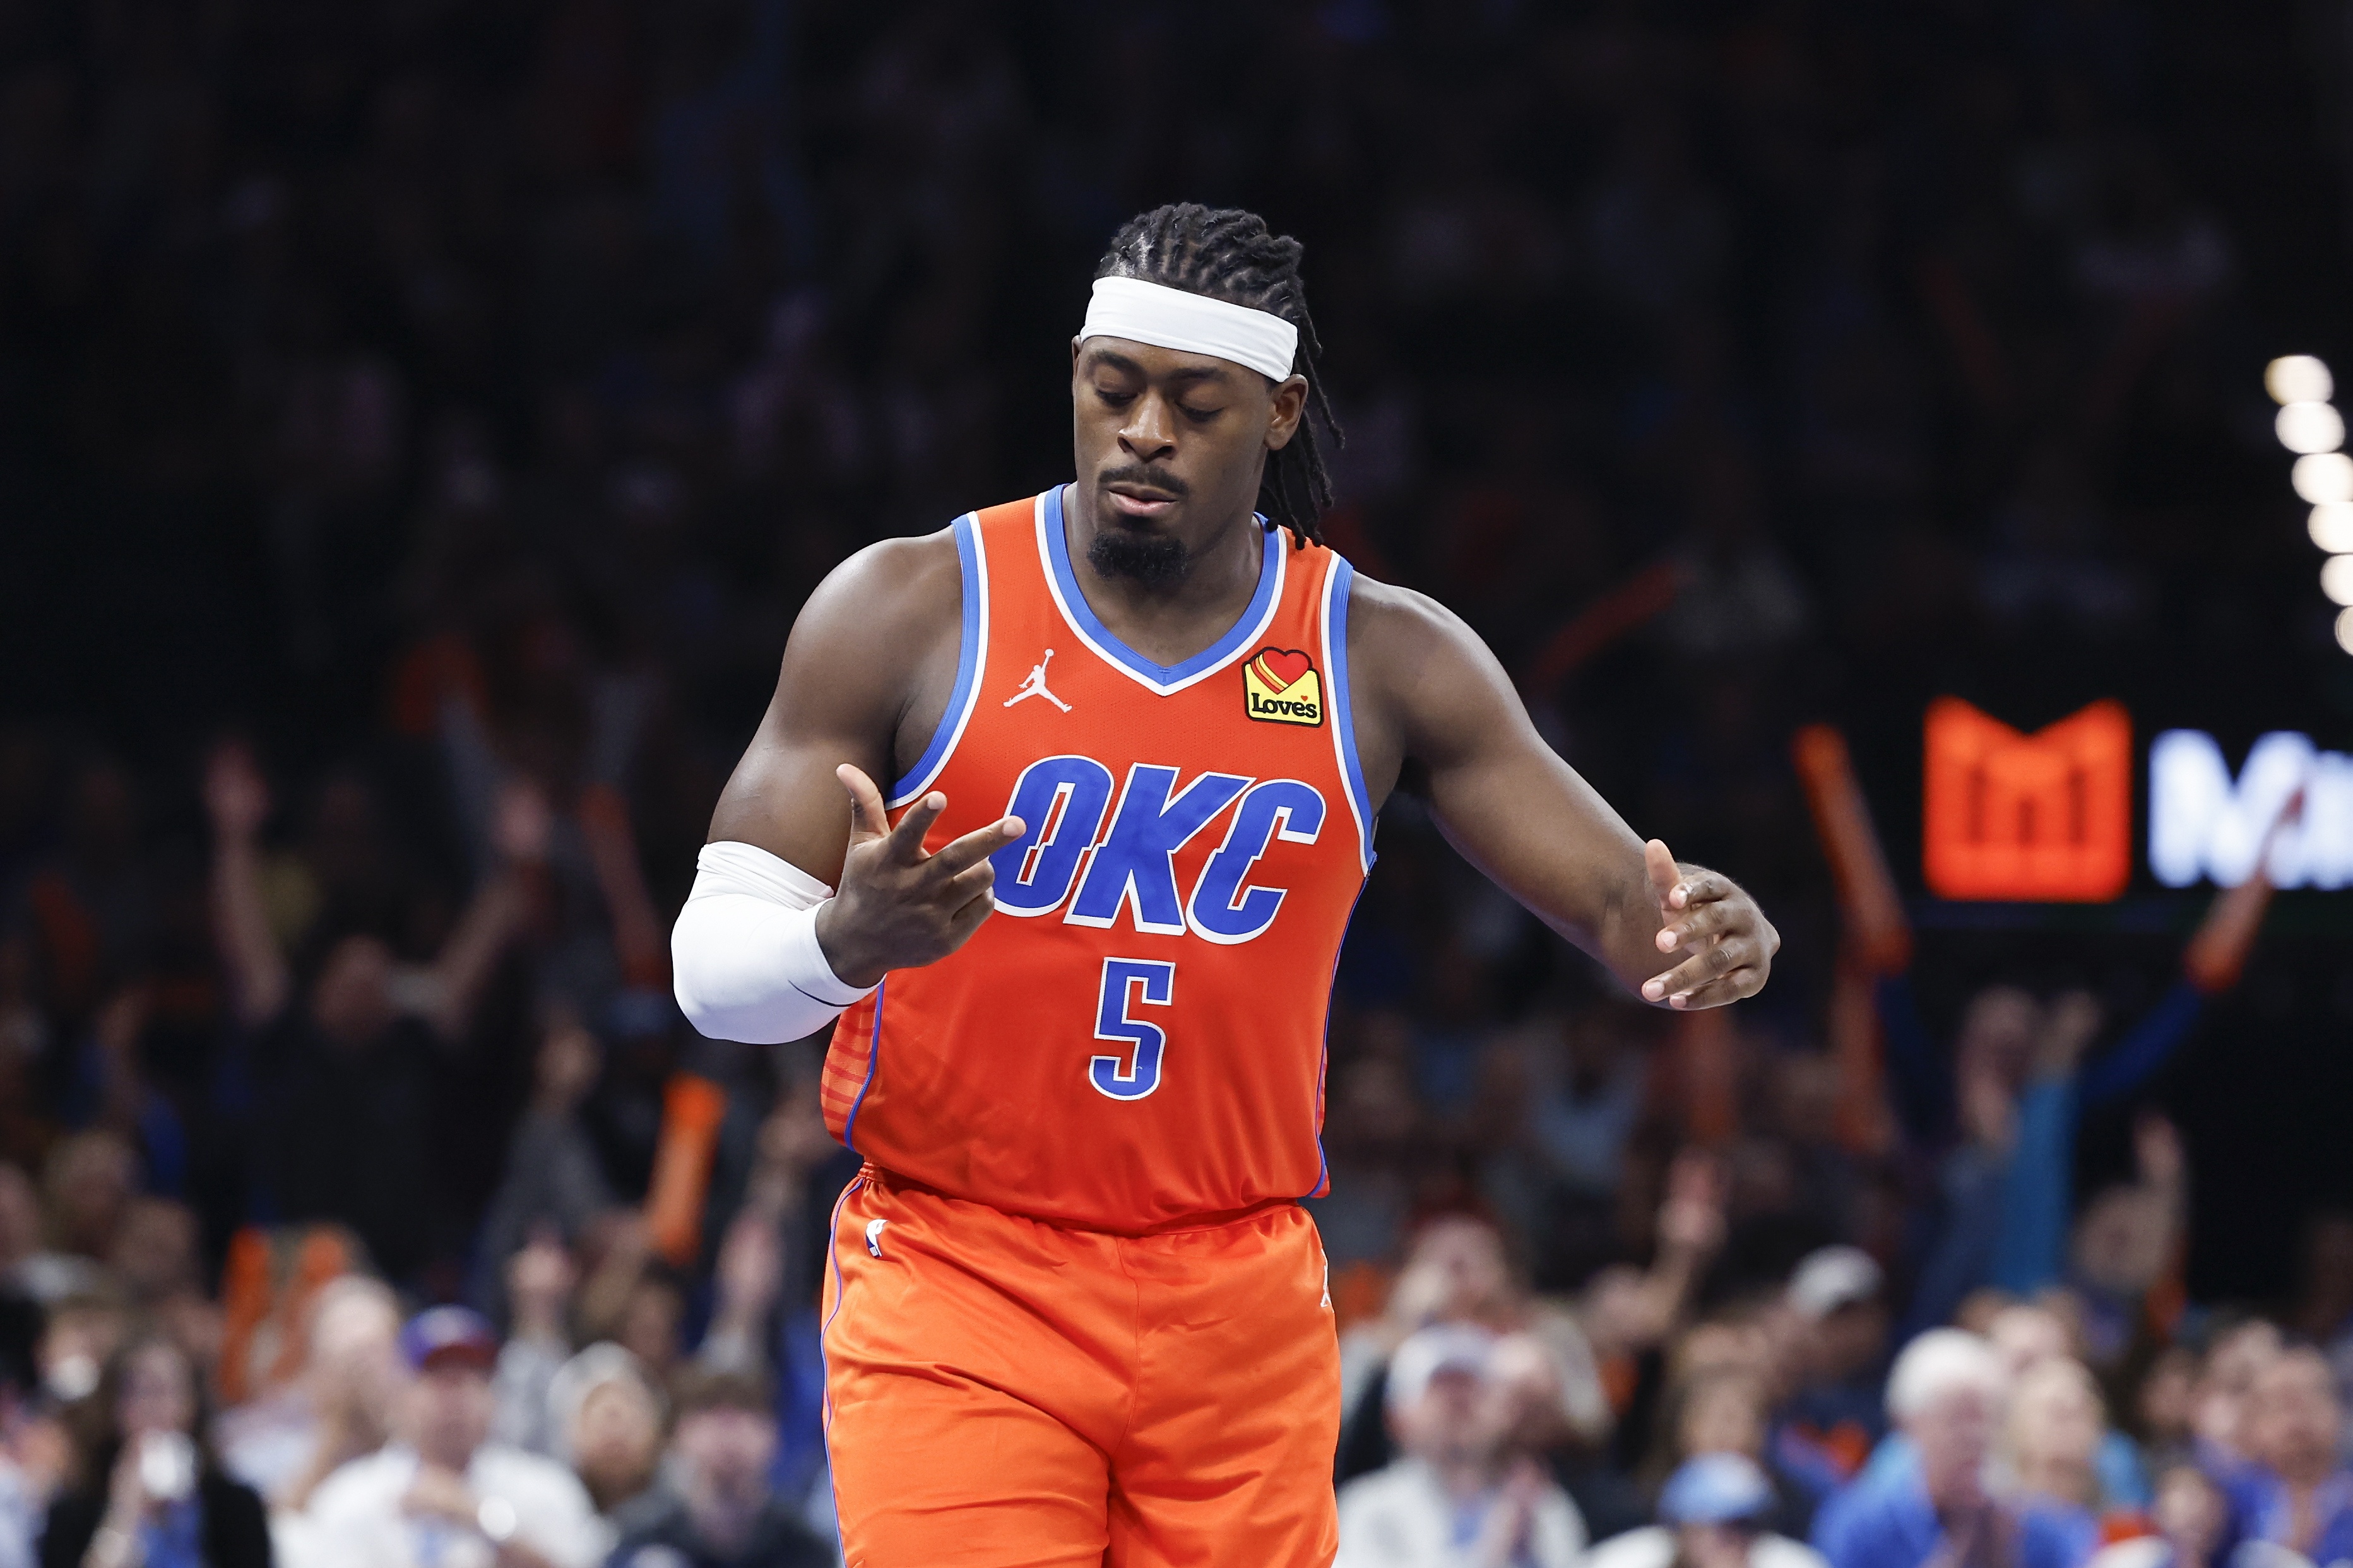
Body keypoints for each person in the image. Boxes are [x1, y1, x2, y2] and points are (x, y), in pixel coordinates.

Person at [668, 201, 1779, 1564]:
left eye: (1195, 405)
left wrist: (1707, 926)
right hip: (962, 1269)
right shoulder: (908, 607)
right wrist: (843, 941)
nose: (1144, 431)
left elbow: (1624, 904)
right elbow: (710, 977)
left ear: (1278, 413)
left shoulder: (1377, 655)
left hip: (1234, 1292)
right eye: (1112, 390)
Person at [287, 1308, 605, 1568]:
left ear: (494, 1396)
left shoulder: (546, 1489)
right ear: (401, 1393)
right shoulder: (350, 1497)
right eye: (437, 1379)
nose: (454, 1398)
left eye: (469, 1379)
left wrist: (481, 1519)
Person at [1812, 1329, 2096, 1568]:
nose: (1975, 1437)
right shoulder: (1860, 1523)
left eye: (1987, 1419)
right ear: (1911, 1425)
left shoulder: (2037, 1525)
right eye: (1957, 1419)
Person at [1334, 1324, 1586, 1568]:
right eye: (1441, 1386)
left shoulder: (1543, 1506)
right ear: (1397, 1418)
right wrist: (1492, 1549)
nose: (1461, 1401)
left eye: (1474, 1386)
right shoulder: (1370, 1509)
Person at [37, 1335, 271, 1568]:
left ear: (193, 1403)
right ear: (112, 1406)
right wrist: (123, 1515)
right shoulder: (72, 1513)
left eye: (166, 1390)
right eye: (137, 1392)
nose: (152, 1407)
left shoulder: (236, 1505)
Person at [607, 1368, 831, 1568]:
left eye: (745, 1408)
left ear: (774, 1432)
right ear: (678, 1434)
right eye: (708, 1408)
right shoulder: (639, 1539)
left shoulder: (807, 1550)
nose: (727, 1428)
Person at [1586, 1454, 1827, 1568]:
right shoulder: (1625, 1561)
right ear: (1682, 1528)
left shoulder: (1792, 1563)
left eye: (1746, 1525)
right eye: (1721, 1525)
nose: (1735, 1539)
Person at [2238, 1345, 2353, 1563]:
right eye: (2280, 1407)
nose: (2296, 1424)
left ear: (2339, 1410)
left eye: (2309, 1402)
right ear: (2251, 1423)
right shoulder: (2228, 1507)